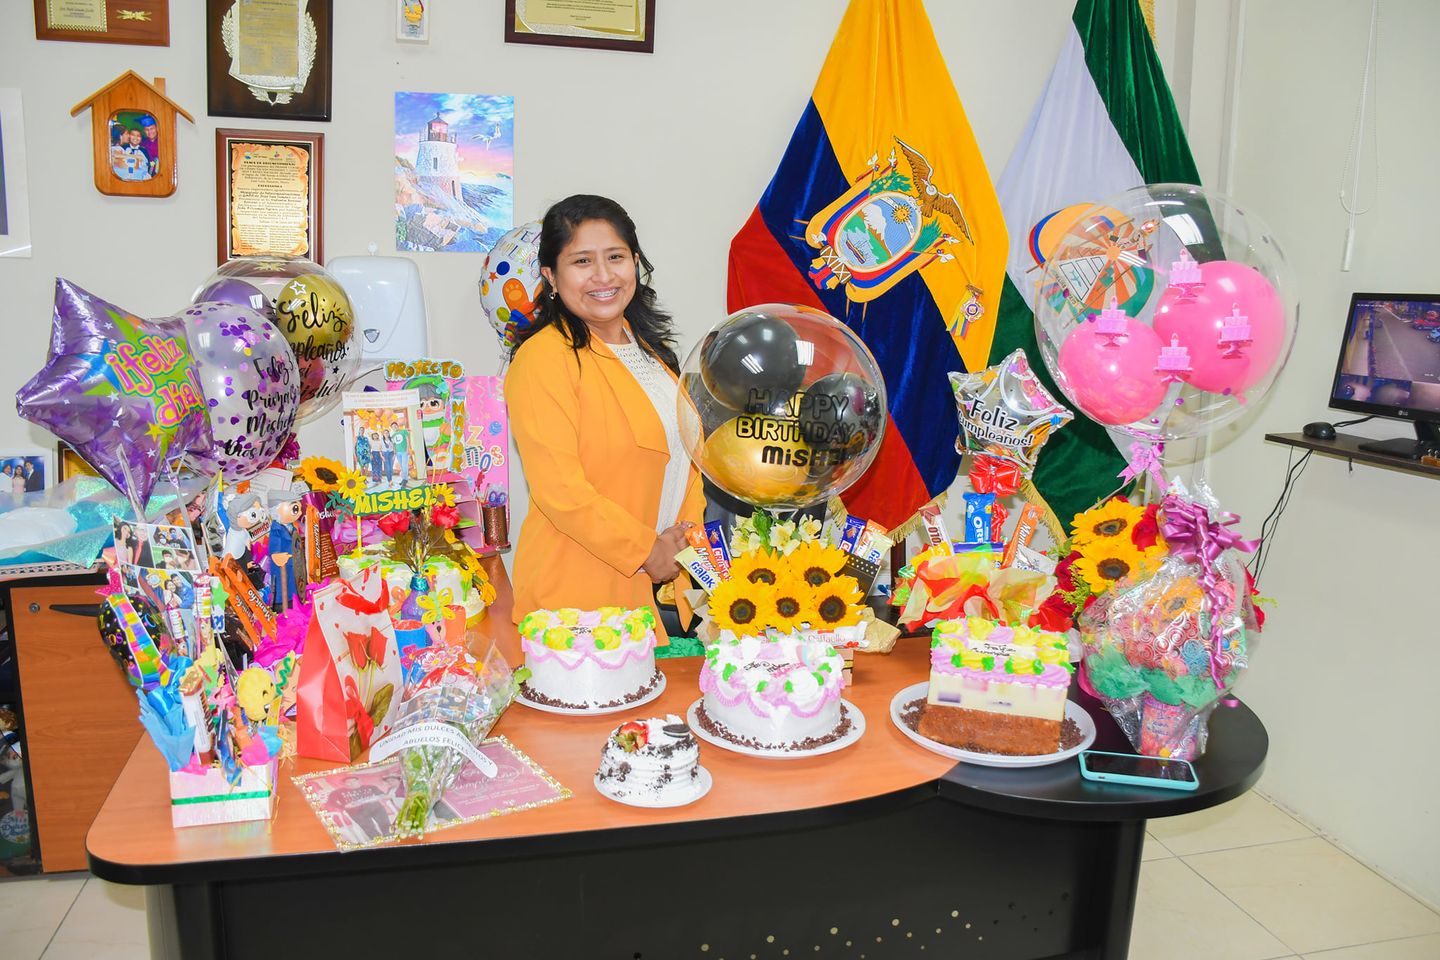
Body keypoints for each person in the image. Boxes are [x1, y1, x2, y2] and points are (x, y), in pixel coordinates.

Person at [506, 195, 704, 636]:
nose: (603, 275)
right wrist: (647, 551)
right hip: (577, 605)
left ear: (635, 262)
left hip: (651, 592)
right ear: (550, 276)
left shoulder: (650, 352)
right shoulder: (543, 359)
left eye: (615, 256)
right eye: (582, 261)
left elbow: (686, 455)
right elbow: (561, 491)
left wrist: (682, 542)